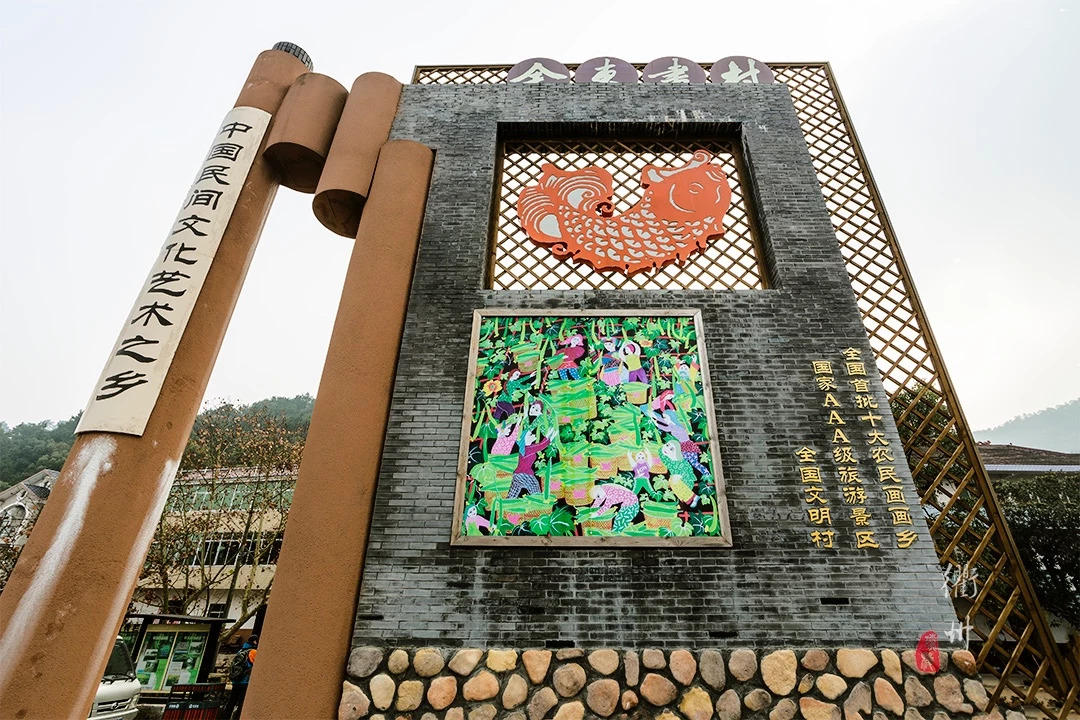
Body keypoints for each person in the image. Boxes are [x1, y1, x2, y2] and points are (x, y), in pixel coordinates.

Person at [223, 634, 258, 719]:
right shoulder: (253, 652)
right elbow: (256, 665)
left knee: (231, 702)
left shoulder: (240, 651)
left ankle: (225, 717)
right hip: (245, 681)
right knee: (241, 703)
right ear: (255, 642)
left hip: (236, 681)